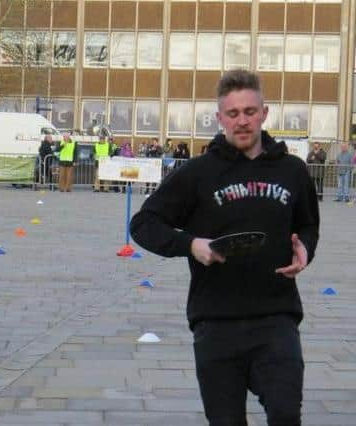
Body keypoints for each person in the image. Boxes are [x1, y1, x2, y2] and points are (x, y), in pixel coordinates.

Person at [130, 69, 319, 426]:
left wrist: (305, 250)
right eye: (233, 114)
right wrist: (191, 245)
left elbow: (308, 225)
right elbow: (143, 225)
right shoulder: (198, 173)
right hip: (216, 322)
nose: (242, 121)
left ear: (264, 113)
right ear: (219, 118)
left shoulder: (292, 171)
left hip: (275, 318)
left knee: (285, 414)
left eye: (250, 112)